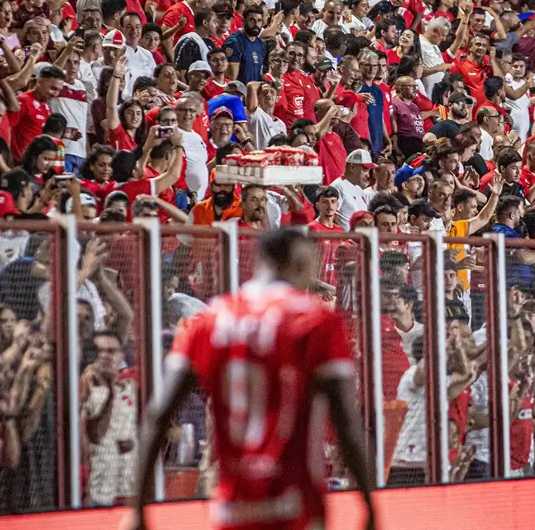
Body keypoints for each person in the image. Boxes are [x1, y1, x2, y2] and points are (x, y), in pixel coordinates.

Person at [128, 227, 376, 530]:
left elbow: (158, 414)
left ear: (260, 261)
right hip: (296, 504)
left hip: (234, 506)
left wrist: (138, 511)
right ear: (300, 264)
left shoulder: (209, 320)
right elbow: (346, 422)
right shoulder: (315, 321)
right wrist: (369, 505)